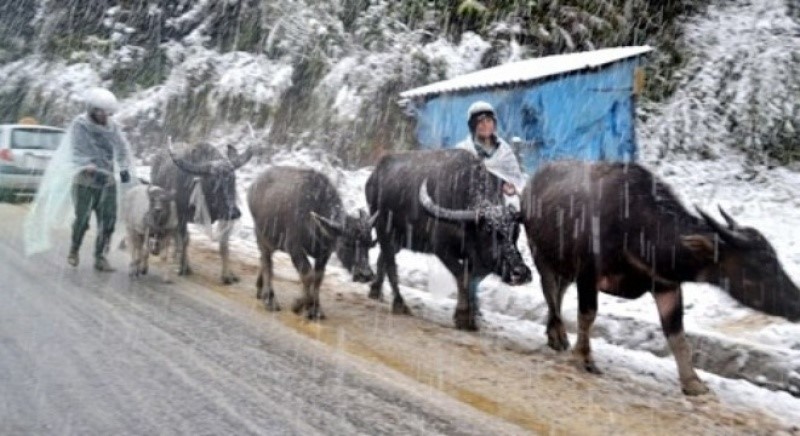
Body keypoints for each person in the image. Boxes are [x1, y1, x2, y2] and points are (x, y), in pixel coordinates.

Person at [64, 87, 134, 271]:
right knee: (82, 219)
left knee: (108, 220)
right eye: (102, 112)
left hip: (107, 180)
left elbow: (121, 147)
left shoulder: (112, 127)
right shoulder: (80, 125)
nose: (105, 116)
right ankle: (74, 248)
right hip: (85, 181)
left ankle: (100, 256)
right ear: (93, 110)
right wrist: (86, 164)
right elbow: (77, 149)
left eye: (108, 113)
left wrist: (124, 167)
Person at [455, 101, 526, 206]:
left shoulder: (504, 150)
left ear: (494, 123)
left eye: (489, 120)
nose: (485, 125)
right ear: (473, 126)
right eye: (480, 122)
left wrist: (510, 187)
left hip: (502, 203)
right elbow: (459, 182)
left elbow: (516, 180)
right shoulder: (463, 150)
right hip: (471, 204)